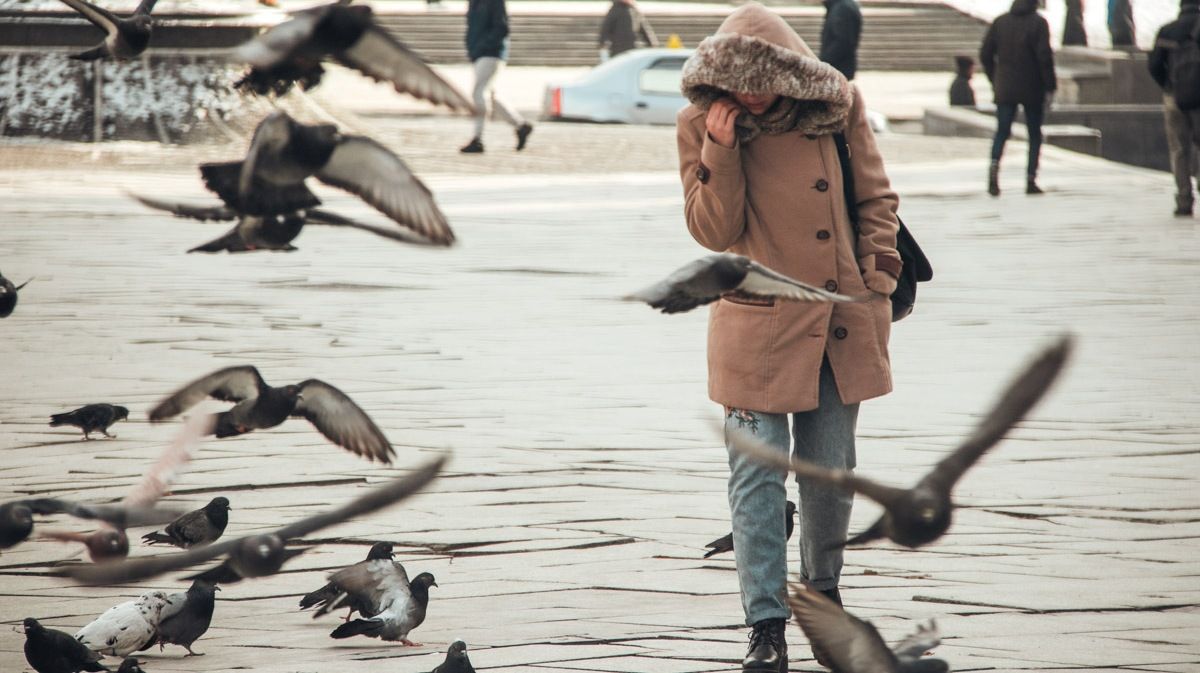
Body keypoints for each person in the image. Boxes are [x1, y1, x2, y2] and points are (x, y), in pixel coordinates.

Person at [676, 3, 901, 670]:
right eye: (739, 81)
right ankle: (766, 625)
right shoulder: (698, 124)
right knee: (757, 478)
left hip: (836, 318)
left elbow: (876, 198)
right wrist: (721, 150)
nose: (752, 93)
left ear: (789, 72)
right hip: (757, 323)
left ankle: (824, 597)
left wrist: (878, 274)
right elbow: (712, 231)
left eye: (765, 80)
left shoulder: (836, 108)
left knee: (830, 475)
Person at [980, 0, 1056, 196]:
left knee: (1002, 131)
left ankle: (994, 169)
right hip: (1032, 86)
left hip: (1005, 86)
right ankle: (1031, 179)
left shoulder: (1000, 22)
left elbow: (985, 54)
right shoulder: (1038, 23)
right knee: (1034, 134)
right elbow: (1044, 56)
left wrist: (994, 77)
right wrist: (1050, 86)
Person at [1148, 0, 1200, 216]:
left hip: (1174, 97)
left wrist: (1168, 86)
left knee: (1179, 149)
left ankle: (1184, 199)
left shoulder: (1167, 31)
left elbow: (1154, 65)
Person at [462, 0, 533, 154]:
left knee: (479, 93)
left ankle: (477, 139)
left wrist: (484, 46)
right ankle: (521, 126)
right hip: (479, 52)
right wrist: (473, 48)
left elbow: (501, 27)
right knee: (490, 95)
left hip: (491, 53)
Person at [819, 0, 863, 80]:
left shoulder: (843, 8)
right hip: (840, 69)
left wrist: (824, 62)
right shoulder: (840, 6)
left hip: (838, 69)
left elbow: (843, 42)